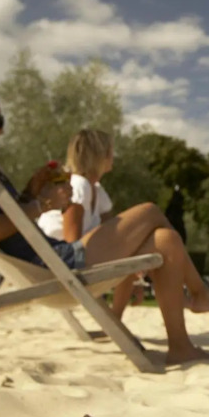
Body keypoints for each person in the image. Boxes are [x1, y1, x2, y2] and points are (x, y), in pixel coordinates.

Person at [0, 78, 209, 364]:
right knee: (150, 211)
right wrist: (43, 204)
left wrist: (30, 192)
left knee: (167, 240)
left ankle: (180, 347)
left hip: (50, 259)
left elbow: (4, 221)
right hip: (56, 263)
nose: (2, 130)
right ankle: (199, 293)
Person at [37, 129, 143, 319]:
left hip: (68, 256)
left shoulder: (96, 190)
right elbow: (71, 241)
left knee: (130, 245)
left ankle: (113, 322)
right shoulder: (79, 185)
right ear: (99, 156)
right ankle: (114, 322)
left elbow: (115, 233)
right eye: (110, 151)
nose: (113, 156)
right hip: (56, 263)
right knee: (148, 217)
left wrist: (131, 271)